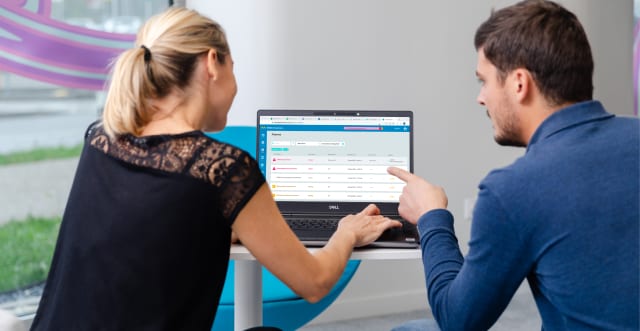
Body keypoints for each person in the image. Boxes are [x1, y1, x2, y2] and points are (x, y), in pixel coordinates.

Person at [30, 7, 401, 331]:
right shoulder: (222, 169)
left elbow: (140, 243)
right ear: (212, 63)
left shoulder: (101, 138)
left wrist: (215, 230)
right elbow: (314, 282)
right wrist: (346, 233)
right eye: (233, 67)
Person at [389, 0, 639, 330]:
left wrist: (431, 217)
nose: (482, 98)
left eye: (484, 81)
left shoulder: (513, 189)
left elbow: (458, 321)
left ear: (519, 83)